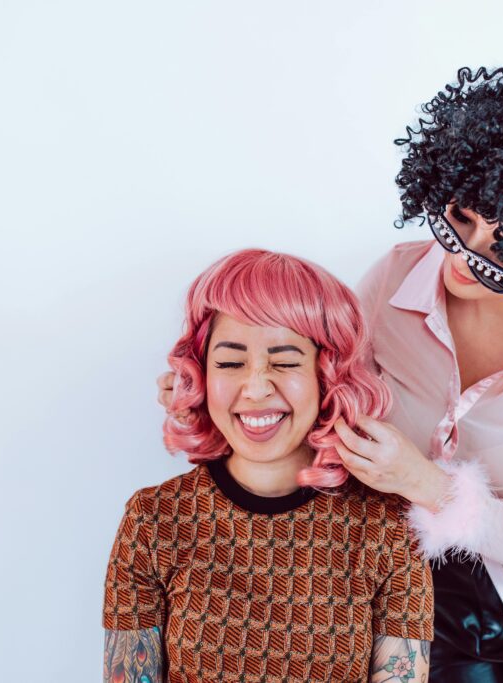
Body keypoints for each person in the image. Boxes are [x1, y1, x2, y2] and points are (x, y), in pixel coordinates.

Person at [158, 67, 503, 681]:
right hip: (424, 590)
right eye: (461, 218)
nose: (463, 252)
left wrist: (425, 483)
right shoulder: (394, 283)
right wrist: (207, 390)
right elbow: (317, 395)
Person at [105, 249, 434, 682]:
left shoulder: (389, 529)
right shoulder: (154, 521)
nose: (256, 387)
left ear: (328, 375)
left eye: (283, 361)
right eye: (229, 362)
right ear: (201, 374)